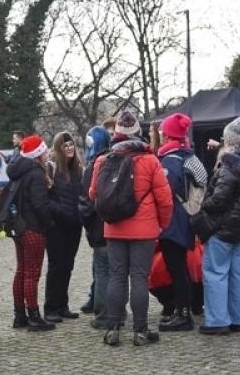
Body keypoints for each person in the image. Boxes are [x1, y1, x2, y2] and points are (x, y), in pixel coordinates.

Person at [90, 108, 173, 347]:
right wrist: (161, 224)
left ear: (116, 134)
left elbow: (93, 194)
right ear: (138, 133)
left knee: (116, 277)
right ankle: (139, 330)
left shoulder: (103, 161)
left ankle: (113, 329)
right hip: (144, 230)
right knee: (139, 278)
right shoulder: (150, 161)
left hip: (114, 228)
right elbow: (165, 200)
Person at [198, 116, 240, 335]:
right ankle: (239, 318)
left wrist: (203, 204)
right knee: (238, 272)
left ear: (231, 141)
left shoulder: (230, 166)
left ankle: (217, 320)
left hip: (222, 226)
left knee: (216, 272)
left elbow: (219, 199)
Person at [155, 112, 207, 332]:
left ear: (167, 136)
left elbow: (165, 192)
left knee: (177, 268)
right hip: (185, 218)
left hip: (173, 221)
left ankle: (183, 314)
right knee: (179, 268)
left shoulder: (170, 160)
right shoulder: (188, 156)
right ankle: (181, 310)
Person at [4, 134, 61, 331]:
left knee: (21, 271)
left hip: (19, 227)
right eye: (44, 150)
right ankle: (34, 316)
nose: (47, 153)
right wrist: (49, 223)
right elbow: (40, 204)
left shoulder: (18, 170)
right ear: (38, 153)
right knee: (32, 274)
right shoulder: (36, 173)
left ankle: (19, 315)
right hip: (33, 228)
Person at [42, 132, 88, 323]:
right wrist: (60, 212)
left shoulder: (78, 170)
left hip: (74, 226)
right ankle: (51, 307)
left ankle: (63, 305)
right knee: (56, 266)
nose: (69, 148)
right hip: (56, 227)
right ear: (59, 148)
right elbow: (45, 199)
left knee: (67, 266)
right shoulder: (51, 169)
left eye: (71, 145)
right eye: (65, 145)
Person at [80, 125, 111, 319]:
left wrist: (89, 227)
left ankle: (103, 316)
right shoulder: (119, 160)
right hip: (119, 228)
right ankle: (117, 312)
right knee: (117, 274)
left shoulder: (92, 167)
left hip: (100, 231)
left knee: (102, 273)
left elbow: (85, 205)